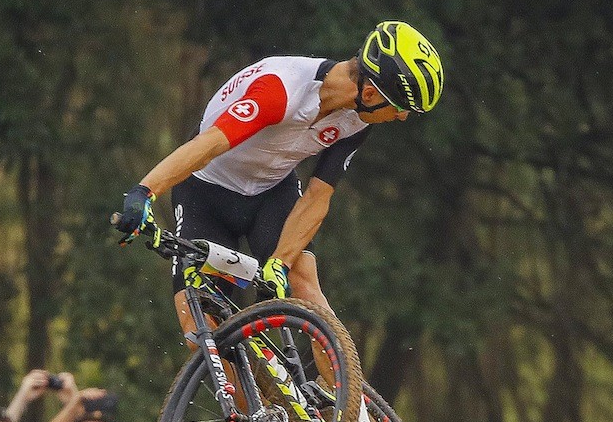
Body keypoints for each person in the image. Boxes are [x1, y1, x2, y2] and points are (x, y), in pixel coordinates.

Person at [114, 22, 442, 339]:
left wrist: (280, 263)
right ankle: (248, 394)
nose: (401, 117)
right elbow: (207, 145)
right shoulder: (281, 90)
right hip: (205, 193)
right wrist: (144, 191)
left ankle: (349, 394)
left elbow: (318, 196)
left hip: (272, 192)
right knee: (198, 330)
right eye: (401, 108)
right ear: (370, 93)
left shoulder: (357, 119)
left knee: (305, 287)